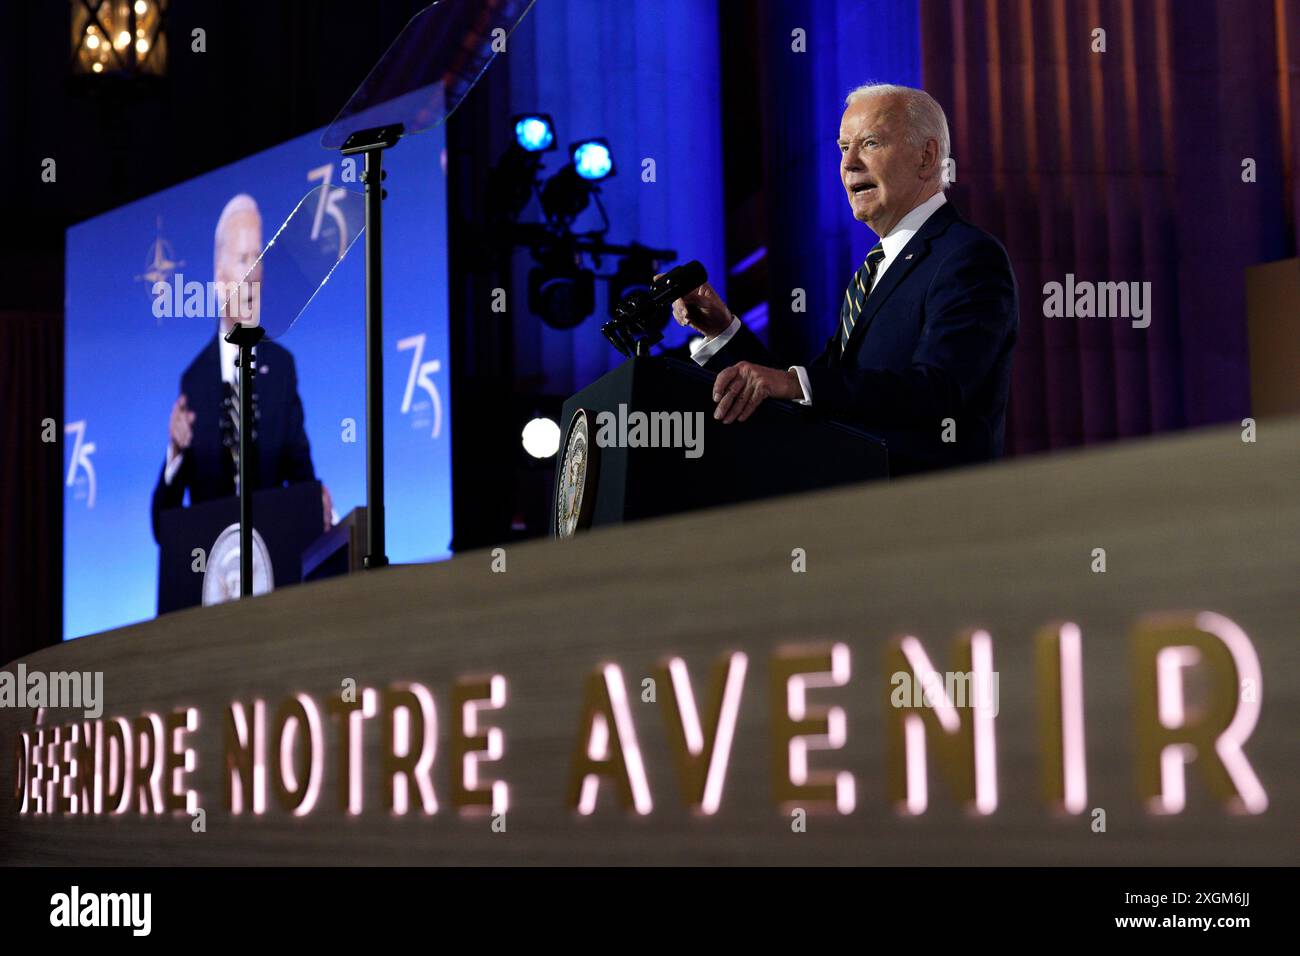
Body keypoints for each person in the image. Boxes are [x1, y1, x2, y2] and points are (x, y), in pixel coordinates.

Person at [672, 83, 1018, 475]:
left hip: (928, 514)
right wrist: (723, 332)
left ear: (926, 156)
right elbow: (815, 391)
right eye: (842, 147)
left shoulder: (966, 256)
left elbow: (938, 391)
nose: (849, 163)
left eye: (870, 143)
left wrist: (798, 384)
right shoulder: (872, 272)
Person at [150, 193, 333, 541]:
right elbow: (164, 527)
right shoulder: (194, 381)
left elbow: (302, 480)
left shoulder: (280, 369)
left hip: (274, 566)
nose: (253, 274)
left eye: (258, 258)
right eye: (242, 260)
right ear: (220, 280)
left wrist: (318, 504)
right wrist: (175, 452)